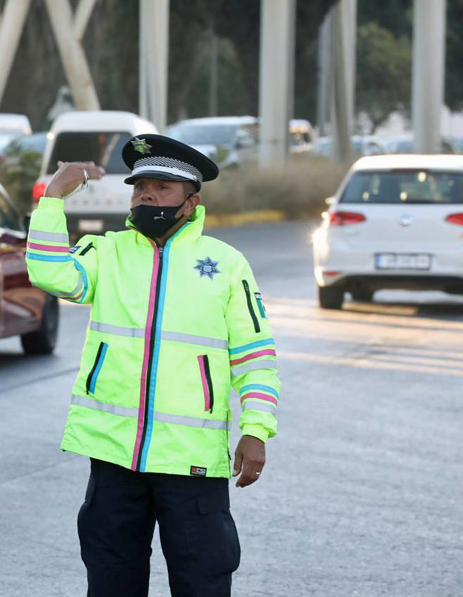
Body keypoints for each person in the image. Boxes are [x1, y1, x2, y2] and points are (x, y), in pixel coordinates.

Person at [25, 134, 280, 596]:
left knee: (203, 581)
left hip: (192, 463)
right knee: (110, 581)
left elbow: (256, 357)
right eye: (140, 186)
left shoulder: (225, 264)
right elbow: (50, 274)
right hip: (114, 457)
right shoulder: (107, 252)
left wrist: (257, 429)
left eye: (162, 187)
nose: (147, 195)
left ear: (190, 201)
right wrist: (52, 199)